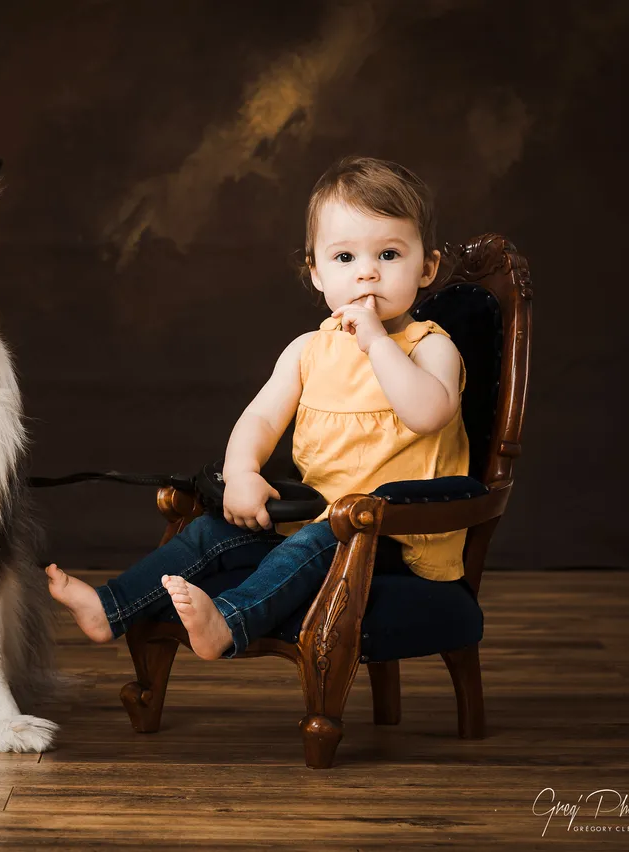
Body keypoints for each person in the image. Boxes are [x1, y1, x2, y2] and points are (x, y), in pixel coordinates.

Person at [48, 155, 469, 660]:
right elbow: (262, 418)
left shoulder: (429, 348)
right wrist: (243, 470)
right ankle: (110, 606)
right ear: (315, 272)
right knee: (210, 531)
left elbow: (425, 413)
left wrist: (378, 342)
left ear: (427, 268)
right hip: (317, 518)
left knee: (314, 544)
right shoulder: (308, 350)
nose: (367, 276)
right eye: (344, 259)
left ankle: (229, 622)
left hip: (391, 535)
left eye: (389, 255)